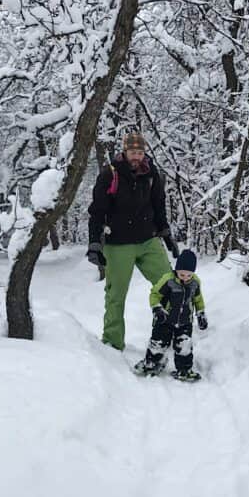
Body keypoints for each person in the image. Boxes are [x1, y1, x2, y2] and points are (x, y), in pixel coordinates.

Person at [87, 131, 179, 350]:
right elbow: (97, 211)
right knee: (116, 296)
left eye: (139, 152)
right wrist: (94, 244)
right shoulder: (110, 174)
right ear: (125, 152)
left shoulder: (152, 173)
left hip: (148, 240)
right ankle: (112, 343)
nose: (136, 156)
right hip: (118, 244)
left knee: (169, 286)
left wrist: (167, 236)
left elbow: (158, 207)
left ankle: (166, 336)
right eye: (132, 152)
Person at [133, 249, 208, 381]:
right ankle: (152, 363)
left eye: (189, 275)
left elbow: (198, 299)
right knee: (158, 342)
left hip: (185, 321)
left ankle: (184, 369)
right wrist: (157, 308)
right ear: (176, 269)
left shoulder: (195, 282)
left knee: (184, 345)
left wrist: (201, 314)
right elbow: (154, 294)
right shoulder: (168, 280)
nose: (185, 278)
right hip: (165, 319)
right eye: (182, 274)